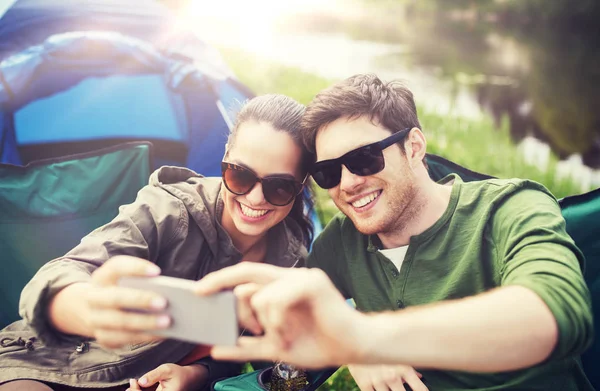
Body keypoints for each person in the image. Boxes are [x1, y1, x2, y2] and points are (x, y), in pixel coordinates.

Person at [194, 74, 595, 391]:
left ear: (415, 147)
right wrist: (198, 370)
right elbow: (289, 351)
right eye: (328, 172)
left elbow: (558, 315)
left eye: (365, 158)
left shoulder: (512, 208)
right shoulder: (341, 243)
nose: (347, 184)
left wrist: (367, 340)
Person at [0, 94, 314, 391]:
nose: (255, 198)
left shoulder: (288, 260)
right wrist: (90, 309)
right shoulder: (168, 209)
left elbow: (246, 353)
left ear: (301, 186)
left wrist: (195, 374)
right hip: (42, 366)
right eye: (240, 176)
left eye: (280, 187)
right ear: (225, 156)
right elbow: (58, 276)